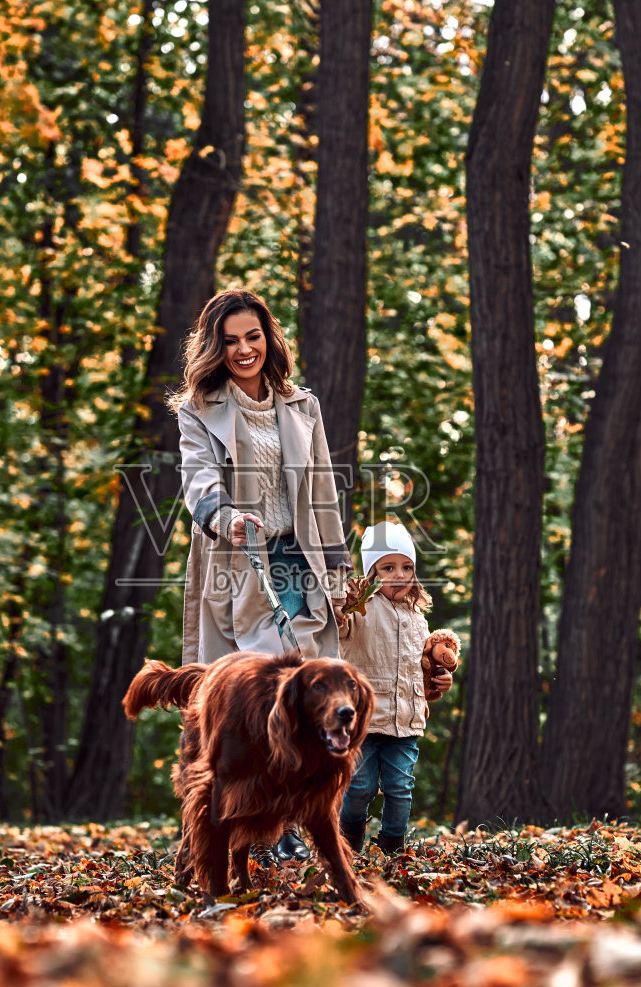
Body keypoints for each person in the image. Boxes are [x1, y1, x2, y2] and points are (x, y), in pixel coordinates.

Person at [173, 288, 353, 861]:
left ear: (269, 339)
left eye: (253, 337)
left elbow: (321, 491)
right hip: (239, 559)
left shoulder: (302, 406)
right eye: (230, 341)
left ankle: (291, 822)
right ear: (215, 348)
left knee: (306, 687)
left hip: (300, 559)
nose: (244, 349)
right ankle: (238, 823)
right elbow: (198, 478)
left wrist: (340, 568)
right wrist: (225, 516)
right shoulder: (198, 409)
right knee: (251, 693)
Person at [334, 520, 455, 855]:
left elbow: (422, 667)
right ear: (372, 573)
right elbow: (338, 627)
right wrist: (342, 606)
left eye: (406, 567)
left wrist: (440, 680)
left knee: (400, 788)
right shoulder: (359, 610)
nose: (399, 575)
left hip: (405, 722)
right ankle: (348, 840)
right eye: (388, 568)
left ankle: (392, 847)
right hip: (365, 721)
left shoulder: (419, 619)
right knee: (360, 787)